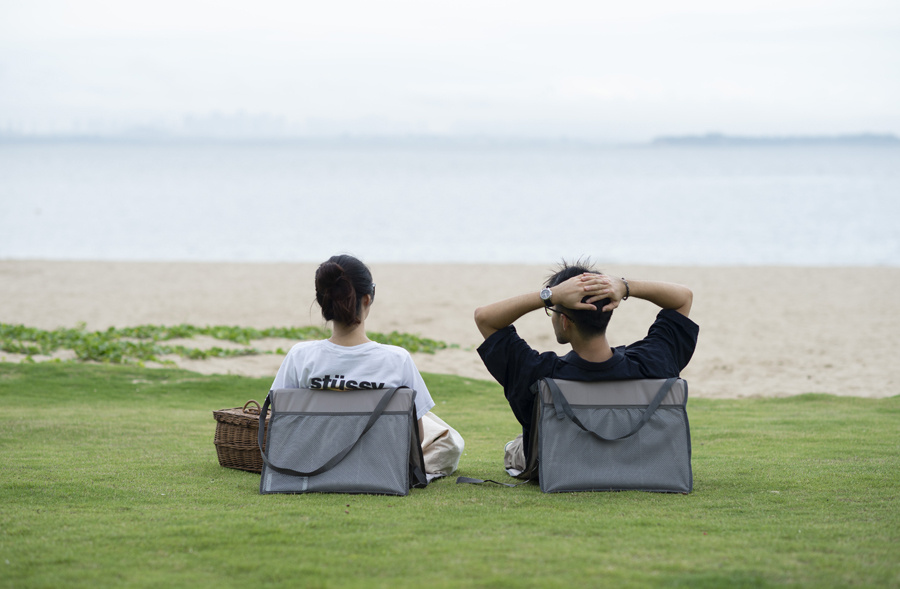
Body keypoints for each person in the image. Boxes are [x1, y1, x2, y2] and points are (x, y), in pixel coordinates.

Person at [473, 260, 698, 469]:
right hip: (635, 461)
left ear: (564, 320)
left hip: (561, 466)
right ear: (609, 310)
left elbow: (485, 318)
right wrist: (624, 286)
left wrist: (551, 295)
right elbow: (683, 298)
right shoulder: (652, 362)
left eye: (552, 310)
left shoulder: (539, 375)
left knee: (518, 446)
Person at [271, 254, 463, 477]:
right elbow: (416, 438)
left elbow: (279, 422)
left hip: (314, 463)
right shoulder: (397, 360)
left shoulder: (300, 356)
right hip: (379, 465)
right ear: (366, 299)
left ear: (323, 302)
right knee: (446, 437)